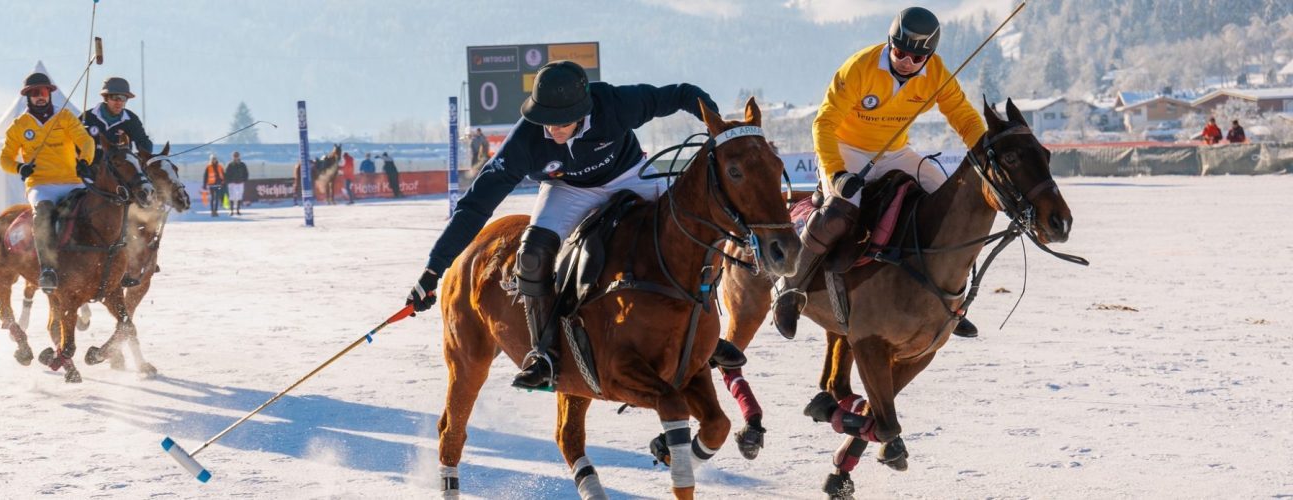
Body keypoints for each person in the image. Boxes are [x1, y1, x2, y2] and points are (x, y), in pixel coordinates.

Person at [403, 60, 740, 390]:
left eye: (561, 122)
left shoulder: (615, 103)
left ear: (583, 109)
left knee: (690, 226)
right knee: (532, 256)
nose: (551, 130)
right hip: (567, 189)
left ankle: (705, 332)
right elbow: (476, 204)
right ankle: (545, 354)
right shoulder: (526, 140)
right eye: (544, 120)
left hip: (630, 175)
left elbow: (682, 94)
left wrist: (715, 123)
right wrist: (434, 270)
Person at [772, 7, 986, 340]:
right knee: (839, 212)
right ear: (890, 43)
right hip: (845, 149)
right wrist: (837, 173)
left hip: (895, 152)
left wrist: (985, 148)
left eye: (917, 58)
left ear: (929, 57)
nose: (906, 61)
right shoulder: (861, 67)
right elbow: (823, 124)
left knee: (949, 201)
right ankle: (790, 288)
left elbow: (964, 118)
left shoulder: (937, 73)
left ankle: (952, 305)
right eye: (900, 52)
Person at [0, 71, 96, 292]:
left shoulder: (65, 117)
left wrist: (84, 160)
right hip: (41, 186)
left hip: (73, 181)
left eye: (43, 92)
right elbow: (4, 159)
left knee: (99, 209)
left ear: (49, 94)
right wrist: (19, 167)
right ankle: (48, 270)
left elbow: (86, 141)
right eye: (34, 93)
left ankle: (115, 258)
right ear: (28, 97)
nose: (39, 96)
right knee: (43, 214)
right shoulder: (20, 125)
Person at [80, 77, 153, 157]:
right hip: (88, 165)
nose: (119, 102)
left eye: (123, 98)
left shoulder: (131, 119)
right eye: (114, 97)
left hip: (118, 167)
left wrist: (139, 158)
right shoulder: (87, 117)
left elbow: (144, 143)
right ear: (106, 98)